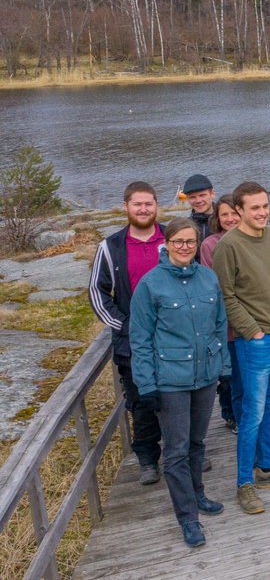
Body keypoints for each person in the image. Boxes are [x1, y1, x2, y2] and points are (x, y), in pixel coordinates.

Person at [129, 218, 229, 547]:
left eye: (190, 241)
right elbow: (140, 339)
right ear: (167, 244)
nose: (184, 247)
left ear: (197, 244)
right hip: (170, 380)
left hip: (204, 375)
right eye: (178, 242)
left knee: (198, 443)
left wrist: (223, 367)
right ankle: (187, 518)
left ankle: (198, 494)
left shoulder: (208, 278)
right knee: (176, 450)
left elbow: (219, 325)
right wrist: (147, 385)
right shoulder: (150, 284)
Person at [212, 181, 270, 515]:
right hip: (256, 341)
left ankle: (267, 468)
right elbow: (227, 296)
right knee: (251, 411)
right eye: (255, 207)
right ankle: (244, 483)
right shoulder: (229, 246)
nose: (263, 212)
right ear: (238, 211)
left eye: (265, 206)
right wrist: (251, 331)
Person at [88, 181, 166, 485]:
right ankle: (148, 459)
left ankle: (181, 450)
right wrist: (124, 324)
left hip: (173, 338)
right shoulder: (111, 247)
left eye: (148, 204)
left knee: (177, 397)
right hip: (133, 343)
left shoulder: (171, 239)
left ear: (156, 205)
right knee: (141, 400)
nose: (144, 209)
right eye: (138, 204)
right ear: (126, 208)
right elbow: (97, 292)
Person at [200, 194, 241, 433]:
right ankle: (230, 414)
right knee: (227, 373)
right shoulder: (209, 245)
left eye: (233, 213)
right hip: (223, 320)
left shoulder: (252, 238)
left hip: (252, 321)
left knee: (245, 374)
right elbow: (209, 282)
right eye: (224, 214)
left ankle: (245, 415)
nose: (230, 218)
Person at [183, 174, 215, 243]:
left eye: (202, 195)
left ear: (212, 194)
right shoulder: (185, 226)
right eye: (192, 197)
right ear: (187, 199)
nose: (198, 201)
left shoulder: (226, 220)